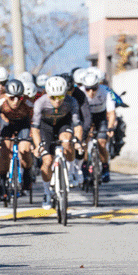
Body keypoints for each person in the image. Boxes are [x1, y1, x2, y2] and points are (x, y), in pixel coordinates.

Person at [31, 76, 83, 209]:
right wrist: (38, 146)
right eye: (53, 97)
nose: (57, 101)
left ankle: (71, 173)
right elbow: (35, 129)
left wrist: (77, 141)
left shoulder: (72, 101)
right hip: (45, 128)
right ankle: (47, 192)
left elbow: (77, 125)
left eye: (60, 96)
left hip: (63, 124)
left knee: (67, 142)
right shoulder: (40, 103)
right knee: (47, 161)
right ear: (47, 93)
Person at [0, 79, 34, 199]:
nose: (16, 101)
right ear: (6, 96)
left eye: (19, 98)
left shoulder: (28, 102)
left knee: (25, 150)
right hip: (7, 124)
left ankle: (27, 173)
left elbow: (36, 122)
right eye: (12, 98)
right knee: (4, 151)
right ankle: (2, 184)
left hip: (23, 124)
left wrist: (33, 140)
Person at [81, 70, 116, 184]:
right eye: (88, 89)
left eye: (94, 88)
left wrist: (110, 128)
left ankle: (105, 167)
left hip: (100, 117)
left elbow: (111, 113)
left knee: (101, 142)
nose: (91, 92)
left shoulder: (105, 91)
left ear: (98, 86)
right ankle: (84, 166)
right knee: (84, 142)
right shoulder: (81, 93)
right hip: (86, 117)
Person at [64, 73, 90, 187]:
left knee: (81, 141)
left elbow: (87, 117)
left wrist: (82, 137)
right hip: (63, 121)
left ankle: (79, 167)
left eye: (70, 91)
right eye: (65, 91)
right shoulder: (55, 96)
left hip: (77, 119)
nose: (67, 94)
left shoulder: (80, 95)